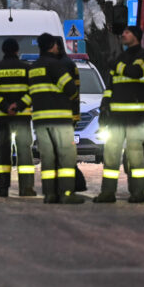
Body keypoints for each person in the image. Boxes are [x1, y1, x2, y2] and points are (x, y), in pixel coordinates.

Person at [94, 26, 144, 204]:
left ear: (136, 37)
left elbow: (136, 72)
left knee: (135, 155)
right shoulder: (120, 58)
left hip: (136, 116)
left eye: (127, 33)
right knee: (110, 155)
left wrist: (116, 65)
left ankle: (138, 192)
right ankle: (107, 193)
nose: (123, 35)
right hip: (116, 117)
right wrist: (104, 108)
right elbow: (110, 87)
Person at [29, 33, 84, 204]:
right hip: (60, 119)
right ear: (51, 45)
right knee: (66, 156)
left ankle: (49, 194)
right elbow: (70, 89)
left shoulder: (33, 68)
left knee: (48, 158)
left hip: (40, 121)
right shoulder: (57, 65)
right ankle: (67, 193)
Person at [0, 38, 36, 198]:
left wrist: (5, 107)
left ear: (3, 51)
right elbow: (33, 91)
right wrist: (18, 106)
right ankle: (26, 188)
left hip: (1, 118)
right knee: (24, 152)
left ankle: (3, 188)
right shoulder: (27, 69)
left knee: (2, 153)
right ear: (17, 51)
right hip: (22, 117)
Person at [55, 37, 87, 192]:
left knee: (63, 151)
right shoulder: (69, 63)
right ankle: (72, 182)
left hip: (65, 115)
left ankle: (71, 183)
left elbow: (68, 91)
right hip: (70, 114)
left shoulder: (63, 65)